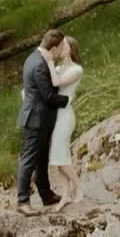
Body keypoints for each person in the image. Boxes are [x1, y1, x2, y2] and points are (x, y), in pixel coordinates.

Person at [15, 28, 70, 214]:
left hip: (39, 118)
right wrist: (67, 100)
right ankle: (22, 201)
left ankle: (46, 195)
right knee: (29, 160)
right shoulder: (39, 64)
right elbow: (47, 95)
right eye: (61, 46)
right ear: (54, 48)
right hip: (36, 118)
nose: (62, 49)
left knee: (41, 159)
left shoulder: (32, 58)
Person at [48, 37, 84, 203]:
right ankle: (65, 193)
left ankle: (78, 187)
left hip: (65, 116)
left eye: (63, 45)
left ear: (71, 49)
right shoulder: (58, 67)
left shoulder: (76, 70)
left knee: (59, 157)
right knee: (59, 157)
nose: (60, 48)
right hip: (55, 115)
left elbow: (57, 82)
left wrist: (48, 62)